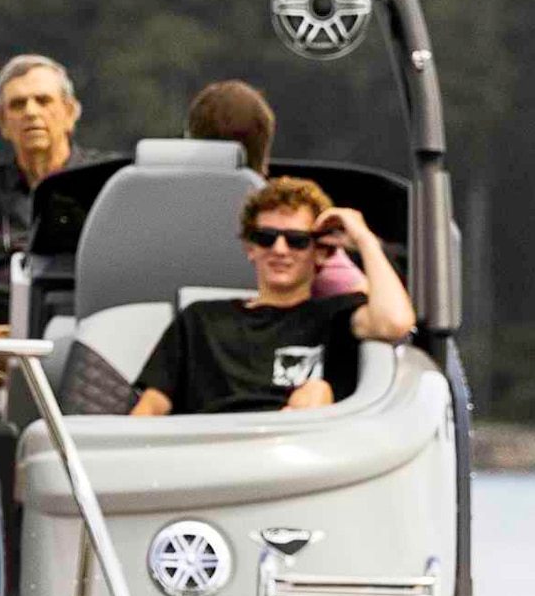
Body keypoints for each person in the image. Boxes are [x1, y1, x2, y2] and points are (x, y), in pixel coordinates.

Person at [131, 177, 415, 417]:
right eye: (266, 237)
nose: (280, 250)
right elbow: (150, 409)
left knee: (316, 392)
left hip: (293, 467)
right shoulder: (200, 318)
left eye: (297, 240)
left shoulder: (336, 316)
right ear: (250, 247)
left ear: (322, 251)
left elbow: (395, 321)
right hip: (207, 459)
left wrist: (362, 237)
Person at [181, 79, 364, 294]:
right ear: (264, 155)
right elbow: (373, 307)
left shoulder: (139, 208)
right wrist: (364, 240)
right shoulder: (293, 226)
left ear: (189, 141)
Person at [0, 53, 79, 341]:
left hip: (82, 332)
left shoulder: (103, 179)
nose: (31, 112)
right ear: (2, 122)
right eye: (18, 104)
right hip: (4, 339)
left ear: (70, 113)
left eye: (43, 101)